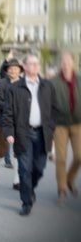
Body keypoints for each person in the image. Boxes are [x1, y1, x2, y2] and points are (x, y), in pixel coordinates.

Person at [3, 54, 56, 216]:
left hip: (42, 133)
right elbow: (8, 112)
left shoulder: (47, 86)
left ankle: (30, 188)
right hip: (23, 133)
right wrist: (10, 132)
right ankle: (26, 202)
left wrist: (53, 129)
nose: (34, 66)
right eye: (31, 64)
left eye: (36, 63)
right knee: (25, 170)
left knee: (39, 168)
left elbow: (54, 109)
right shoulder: (15, 88)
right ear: (24, 67)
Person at [51, 52, 81, 204]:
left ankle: (69, 179)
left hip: (77, 123)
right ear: (60, 64)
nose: (66, 64)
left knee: (79, 156)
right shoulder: (54, 82)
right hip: (60, 125)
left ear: (73, 63)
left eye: (68, 61)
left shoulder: (79, 80)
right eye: (63, 61)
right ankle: (62, 190)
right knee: (61, 158)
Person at [0, 59, 23, 190]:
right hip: (5, 122)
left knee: (18, 152)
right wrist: (12, 108)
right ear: (7, 70)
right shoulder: (1, 84)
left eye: (16, 68)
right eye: (11, 68)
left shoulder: (24, 84)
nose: (13, 70)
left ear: (20, 70)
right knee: (2, 151)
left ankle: (16, 180)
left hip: (20, 123)